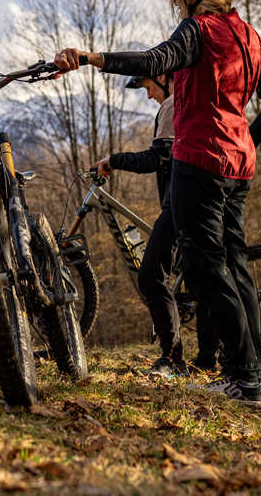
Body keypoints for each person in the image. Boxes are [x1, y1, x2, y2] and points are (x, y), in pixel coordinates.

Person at [55, 0, 261, 403]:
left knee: (206, 269)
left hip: (199, 161)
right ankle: (250, 370)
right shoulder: (250, 36)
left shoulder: (199, 30)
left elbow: (154, 62)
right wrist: (242, 139)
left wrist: (90, 57)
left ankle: (244, 378)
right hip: (238, 167)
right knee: (234, 264)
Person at [93, 73, 217, 377]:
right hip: (200, 199)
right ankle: (206, 361)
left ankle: (172, 358)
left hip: (180, 203)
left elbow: (158, 157)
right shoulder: (186, 101)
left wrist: (113, 161)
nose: (149, 95)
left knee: (151, 276)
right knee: (199, 279)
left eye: (148, 87)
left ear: (163, 77)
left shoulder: (174, 102)